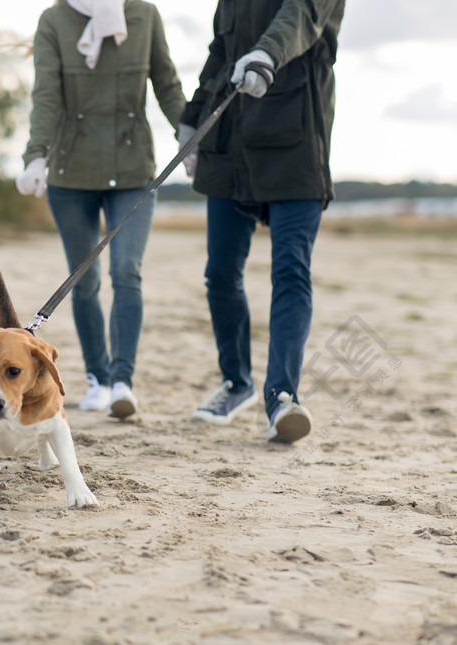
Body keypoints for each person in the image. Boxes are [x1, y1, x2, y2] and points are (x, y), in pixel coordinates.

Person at [180, 0, 346, 442]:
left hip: (295, 145)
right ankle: (237, 384)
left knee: (291, 271)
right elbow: (220, 50)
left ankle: (282, 398)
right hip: (229, 147)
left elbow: (299, 17)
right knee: (219, 274)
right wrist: (192, 117)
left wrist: (266, 54)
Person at [16, 0, 186, 419]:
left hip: (133, 172)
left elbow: (166, 82)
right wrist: (35, 156)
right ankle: (98, 378)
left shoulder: (144, 15)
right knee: (84, 279)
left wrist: (189, 130)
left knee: (127, 272)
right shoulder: (54, 20)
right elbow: (46, 95)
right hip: (71, 175)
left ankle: (122, 381)